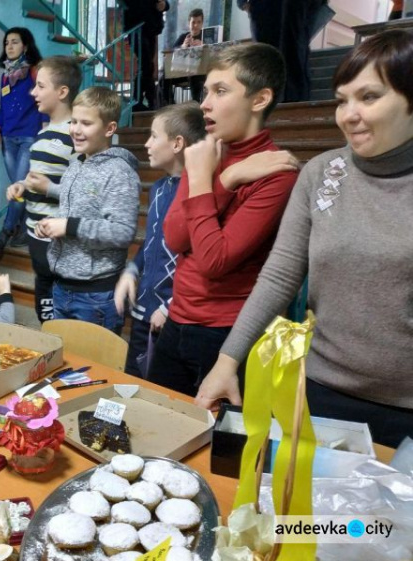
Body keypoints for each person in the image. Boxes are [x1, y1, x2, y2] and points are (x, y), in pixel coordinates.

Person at [195, 30, 413, 448]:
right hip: (320, 390)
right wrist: (227, 360)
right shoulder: (322, 173)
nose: (348, 114)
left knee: (386, 518)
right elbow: (279, 276)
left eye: (369, 97)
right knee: (305, 516)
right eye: (342, 99)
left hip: (407, 409)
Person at [147, 43, 300, 396]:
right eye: (206, 92)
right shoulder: (206, 152)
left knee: (214, 447)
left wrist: (203, 181)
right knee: (161, 425)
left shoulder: (276, 172)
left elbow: (215, 259)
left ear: (260, 100)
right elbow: (175, 238)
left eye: (221, 91)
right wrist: (227, 179)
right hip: (177, 319)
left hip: (227, 333)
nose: (205, 103)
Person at [35, 87, 139, 334]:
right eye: (73, 121)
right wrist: (53, 223)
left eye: (86, 123)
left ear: (109, 129)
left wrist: (68, 225)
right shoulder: (76, 165)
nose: (76, 130)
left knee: (93, 370)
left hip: (96, 295)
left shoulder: (119, 172)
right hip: (62, 287)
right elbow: (78, 210)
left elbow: (122, 231)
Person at [114, 103, 206, 378]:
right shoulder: (158, 188)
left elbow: (197, 260)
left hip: (171, 317)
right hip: (143, 311)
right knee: (133, 379)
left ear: (177, 143)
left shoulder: (197, 191)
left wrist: (170, 306)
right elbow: (152, 243)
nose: (147, 144)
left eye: (154, 136)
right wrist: (131, 272)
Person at [6, 56, 81, 323]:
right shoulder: (43, 133)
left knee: (64, 309)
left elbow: (83, 194)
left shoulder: (76, 135)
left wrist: (49, 188)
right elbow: (36, 178)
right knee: (45, 310)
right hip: (35, 235)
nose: (33, 92)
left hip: (59, 241)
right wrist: (22, 186)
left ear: (62, 92)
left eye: (40, 86)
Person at [0, 27, 45, 257]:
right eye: (7, 43)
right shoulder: (5, 75)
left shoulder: (33, 72)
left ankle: (5, 232)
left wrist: (45, 126)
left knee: (18, 186)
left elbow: (43, 99)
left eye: (14, 42)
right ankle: (22, 230)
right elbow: (3, 106)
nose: (9, 46)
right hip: (8, 138)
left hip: (28, 136)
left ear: (25, 45)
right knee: (19, 187)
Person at [124, 0, 169, 111]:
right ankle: (149, 99)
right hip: (137, 28)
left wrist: (164, 5)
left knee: (146, 66)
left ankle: (137, 101)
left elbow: (164, 3)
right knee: (146, 65)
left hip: (151, 29)